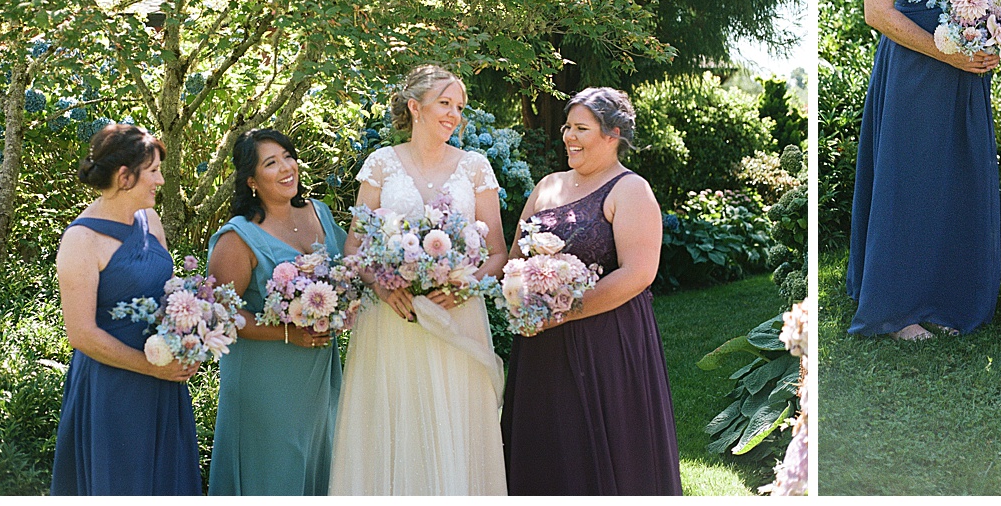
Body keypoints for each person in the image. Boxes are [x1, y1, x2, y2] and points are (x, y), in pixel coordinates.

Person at [849, 0, 1001, 339]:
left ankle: (953, 294)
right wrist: (947, 51)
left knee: (961, 175)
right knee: (912, 179)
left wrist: (998, 32)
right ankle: (899, 308)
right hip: (918, 71)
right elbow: (878, 12)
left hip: (968, 73)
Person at [328, 66, 509, 492]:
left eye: (459, 107)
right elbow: (354, 246)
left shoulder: (475, 167)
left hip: (457, 314)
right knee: (395, 418)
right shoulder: (382, 164)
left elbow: (498, 251)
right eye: (445, 103)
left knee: (454, 418)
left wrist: (465, 282)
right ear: (416, 106)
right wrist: (381, 284)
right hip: (394, 316)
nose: (454, 115)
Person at [503, 87, 682, 492]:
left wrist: (564, 311)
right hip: (540, 342)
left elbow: (638, 273)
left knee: (597, 446)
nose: (568, 136)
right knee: (545, 445)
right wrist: (521, 294)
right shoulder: (548, 185)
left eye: (581, 128)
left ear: (612, 134)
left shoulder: (630, 190)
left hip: (604, 344)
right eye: (567, 127)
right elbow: (515, 256)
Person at [49, 124, 201, 493]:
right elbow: (81, 333)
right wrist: (150, 368)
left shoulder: (151, 221)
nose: (161, 180)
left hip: (163, 381)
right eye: (153, 172)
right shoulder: (81, 240)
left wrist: (189, 333)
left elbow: (166, 293)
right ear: (124, 176)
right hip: (113, 390)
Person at [206, 129, 345, 493]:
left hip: (317, 375)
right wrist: (289, 332)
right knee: (272, 473)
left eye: (288, 156)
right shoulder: (237, 238)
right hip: (264, 379)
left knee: (318, 465)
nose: (287, 168)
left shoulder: (320, 213)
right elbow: (223, 317)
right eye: (271, 163)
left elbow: (353, 272)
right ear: (251, 181)